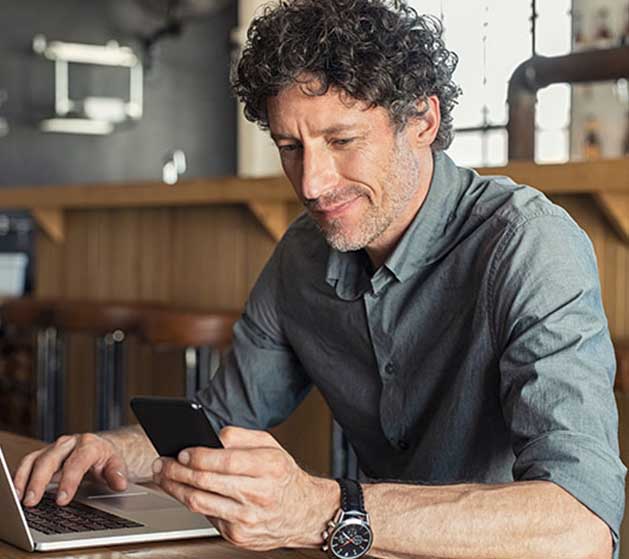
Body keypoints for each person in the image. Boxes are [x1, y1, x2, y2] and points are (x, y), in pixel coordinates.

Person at [14, 1, 626, 557]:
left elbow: (581, 525)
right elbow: (225, 418)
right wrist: (114, 451)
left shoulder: (529, 245)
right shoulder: (304, 253)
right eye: (290, 146)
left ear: (423, 121)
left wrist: (326, 510)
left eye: (342, 140)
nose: (310, 183)